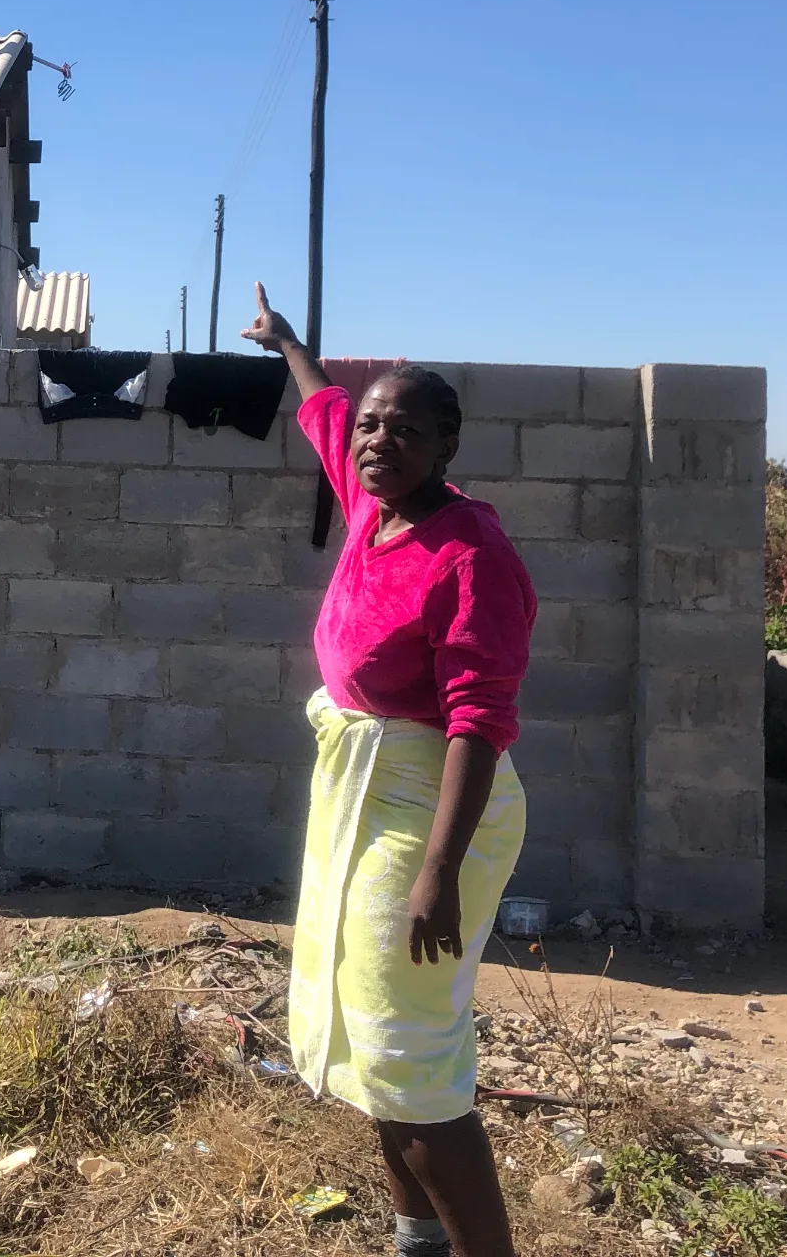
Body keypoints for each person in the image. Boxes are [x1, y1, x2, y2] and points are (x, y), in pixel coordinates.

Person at [242, 283, 533, 1257]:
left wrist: (438, 871)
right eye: (373, 428)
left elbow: (479, 721)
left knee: (406, 1050)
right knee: (375, 1036)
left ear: (448, 444)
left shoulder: (470, 553)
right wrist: (286, 341)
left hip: (437, 802)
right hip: (364, 793)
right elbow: (323, 405)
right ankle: (419, 1240)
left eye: (405, 430)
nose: (376, 442)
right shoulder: (372, 504)